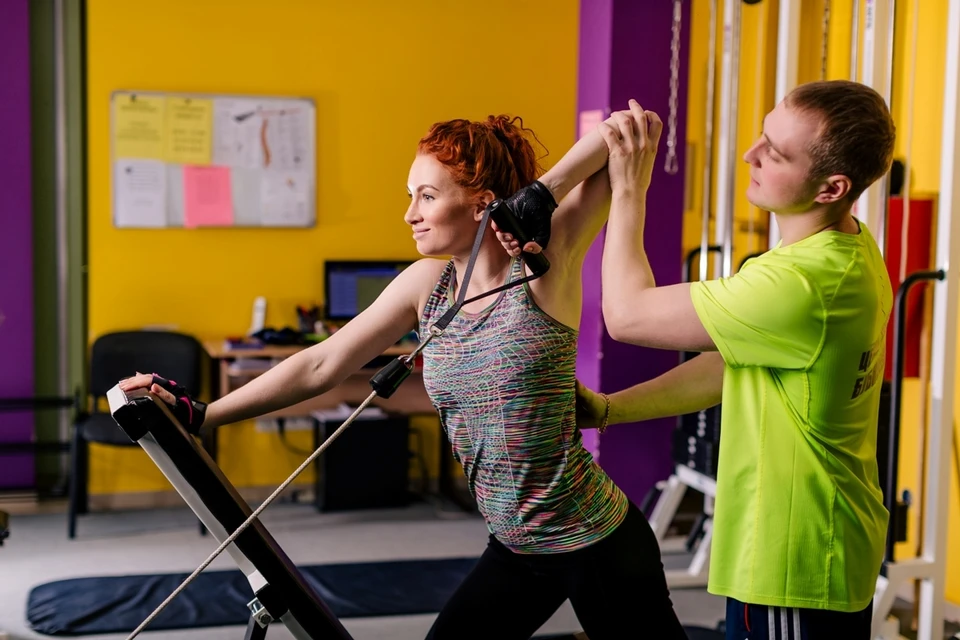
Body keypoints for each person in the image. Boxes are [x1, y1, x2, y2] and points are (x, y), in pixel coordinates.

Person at [119, 112, 689, 639]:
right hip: (516, 546)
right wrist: (206, 414)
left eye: (427, 195)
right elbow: (322, 363)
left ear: (481, 205)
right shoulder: (426, 285)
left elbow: (633, 126)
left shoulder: (545, 265)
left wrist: (540, 195)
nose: (410, 213)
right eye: (410, 195)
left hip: (595, 538)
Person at [555, 82, 894, 640]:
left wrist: (630, 190)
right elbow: (728, 367)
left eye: (775, 153)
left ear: (833, 187)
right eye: (762, 135)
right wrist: (611, 409)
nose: (750, 155)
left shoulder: (802, 284)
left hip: (795, 561)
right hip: (804, 551)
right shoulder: (842, 250)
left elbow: (627, 316)